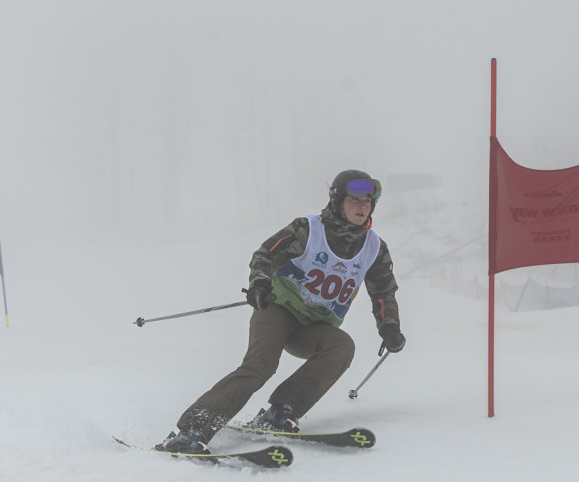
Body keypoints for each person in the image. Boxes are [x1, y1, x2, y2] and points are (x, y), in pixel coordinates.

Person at [158, 170, 405, 453]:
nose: (363, 207)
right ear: (338, 201)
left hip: (313, 327)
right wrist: (259, 282)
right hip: (277, 310)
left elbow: (384, 290)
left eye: (368, 202)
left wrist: (389, 326)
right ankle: (193, 428)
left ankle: (281, 412)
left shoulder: (373, 248)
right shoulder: (308, 229)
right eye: (356, 200)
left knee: (342, 346)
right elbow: (266, 253)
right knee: (260, 366)